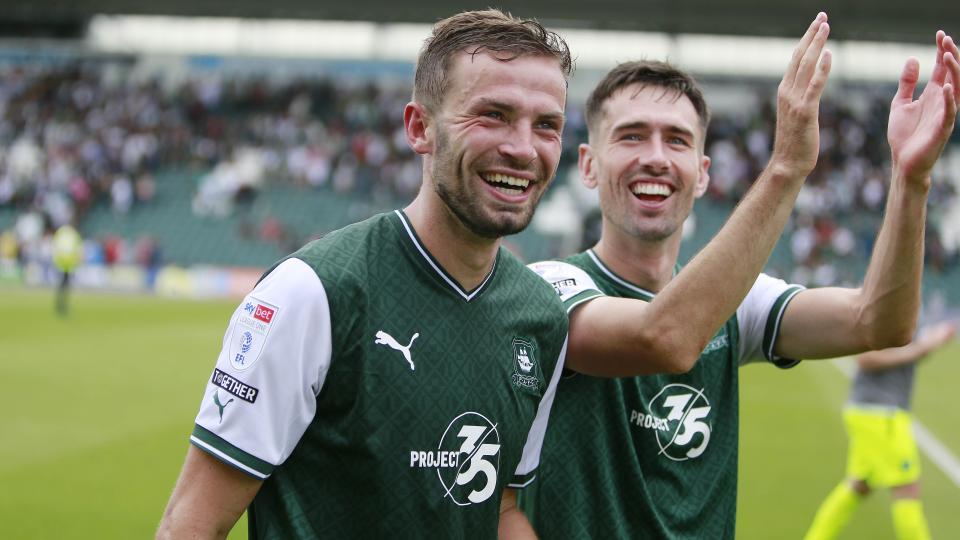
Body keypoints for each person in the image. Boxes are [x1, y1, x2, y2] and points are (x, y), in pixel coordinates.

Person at [158, 9, 837, 538]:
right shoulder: (317, 293)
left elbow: (501, 506)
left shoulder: (537, 318)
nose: (522, 147)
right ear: (420, 128)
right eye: (493, 115)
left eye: (546, 124)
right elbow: (194, 522)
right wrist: (785, 169)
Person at [519, 27, 960, 540]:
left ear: (702, 174)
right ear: (589, 166)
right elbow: (663, 337)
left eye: (677, 140)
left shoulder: (737, 303)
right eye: (632, 135)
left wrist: (911, 179)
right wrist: (787, 167)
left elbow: (878, 321)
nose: (657, 157)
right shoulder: (547, 288)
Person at [804, 321, 957, 540]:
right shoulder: (892, 308)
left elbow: (909, 351)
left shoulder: (908, 307)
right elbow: (866, 358)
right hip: (881, 414)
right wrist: (918, 349)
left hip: (873, 412)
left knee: (860, 485)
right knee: (907, 488)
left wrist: (932, 341)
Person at [51, 223, 83, 316]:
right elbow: (78, 250)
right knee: (65, 286)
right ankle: (62, 305)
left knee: (62, 285)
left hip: (61, 263)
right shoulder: (73, 235)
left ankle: (60, 304)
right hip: (68, 264)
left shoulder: (61, 233)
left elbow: (55, 246)